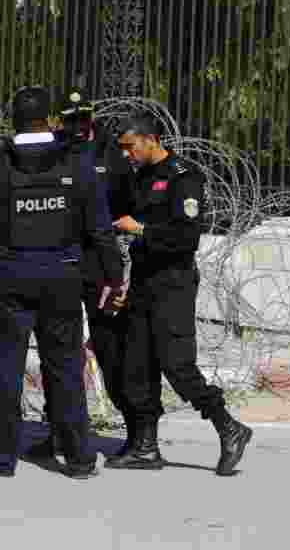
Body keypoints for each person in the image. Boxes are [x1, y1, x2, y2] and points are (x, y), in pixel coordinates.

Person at [105, 112, 252, 476]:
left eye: (130, 146)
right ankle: (145, 447)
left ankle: (229, 427)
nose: (126, 154)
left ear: (150, 139)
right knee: (136, 368)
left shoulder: (183, 178)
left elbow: (186, 238)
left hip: (173, 284)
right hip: (142, 282)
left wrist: (139, 229)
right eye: (121, 148)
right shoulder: (141, 177)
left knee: (178, 366)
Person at [0, 85, 123, 478]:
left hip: (10, 275)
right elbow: (100, 229)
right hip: (63, 274)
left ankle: (4, 458)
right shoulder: (76, 160)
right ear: (50, 120)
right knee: (66, 368)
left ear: (13, 120)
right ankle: (79, 458)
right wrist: (114, 276)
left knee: (5, 368)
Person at [26, 89, 137, 461]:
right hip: (62, 262)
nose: (77, 126)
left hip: (98, 264)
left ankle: (139, 433)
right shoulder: (54, 150)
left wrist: (115, 272)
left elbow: (123, 209)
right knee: (59, 354)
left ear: (91, 117)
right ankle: (60, 431)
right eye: (70, 119)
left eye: (83, 119)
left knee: (109, 348)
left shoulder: (110, 153)